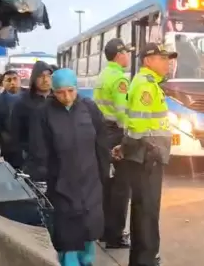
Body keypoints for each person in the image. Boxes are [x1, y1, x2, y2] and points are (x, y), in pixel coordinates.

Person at [29, 68, 110, 266]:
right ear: (53, 92)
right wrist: (43, 179)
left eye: (71, 91)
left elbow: (101, 143)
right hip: (62, 187)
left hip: (90, 184)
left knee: (89, 236)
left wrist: (104, 173)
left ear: (77, 88)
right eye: (60, 92)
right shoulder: (43, 114)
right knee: (68, 242)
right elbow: (39, 151)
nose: (66, 97)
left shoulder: (89, 109)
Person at [112, 43, 177, 266]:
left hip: (144, 154)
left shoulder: (148, 83)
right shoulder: (146, 85)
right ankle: (146, 260)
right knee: (147, 211)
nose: (167, 62)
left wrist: (124, 146)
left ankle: (142, 259)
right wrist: (131, 147)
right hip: (147, 156)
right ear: (148, 61)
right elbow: (138, 127)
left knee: (143, 208)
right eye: (163, 58)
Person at [93, 38, 132, 248]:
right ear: (119, 55)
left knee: (106, 185)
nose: (129, 56)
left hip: (102, 133)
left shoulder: (102, 75)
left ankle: (103, 231)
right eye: (127, 52)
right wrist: (129, 138)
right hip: (116, 133)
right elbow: (122, 113)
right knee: (121, 186)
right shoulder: (119, 79)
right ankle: (115, 236)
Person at [11, 61, 53, 167]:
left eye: (48, 75)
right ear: (34, 79)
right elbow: (16, 134)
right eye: (41, 76)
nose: (45, 79)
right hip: (32, 160)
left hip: (55, 159)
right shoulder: (23, 103)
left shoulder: (57, 100)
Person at [0, 70, 24, 167]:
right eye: (8, 80)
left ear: (20, 80)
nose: (12, 82)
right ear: (3, 83)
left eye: (15, 79)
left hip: (31, 147)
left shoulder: (30, 97)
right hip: (10, 149)